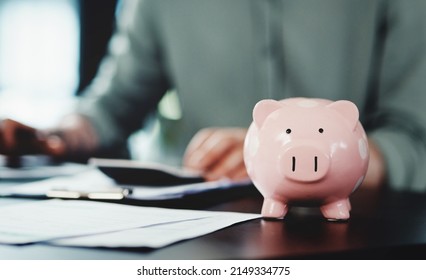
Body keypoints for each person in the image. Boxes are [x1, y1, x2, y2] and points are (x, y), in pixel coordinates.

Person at [1, 0, 426, 192]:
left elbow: (415, 138)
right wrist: (52, 137)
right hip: (206, 234)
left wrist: (291, 155)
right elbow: (113, 106)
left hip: (364, 236)